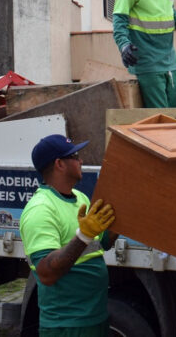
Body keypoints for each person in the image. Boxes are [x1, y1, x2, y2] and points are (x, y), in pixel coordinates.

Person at [19, 135, 117, 336]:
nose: (81, 161)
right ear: (59, 164)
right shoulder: (40, 209)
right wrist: (84, 235)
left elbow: (103, 242)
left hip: (95, 318)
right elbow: (46, 273)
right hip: (66, 326)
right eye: (75, 156)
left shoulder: (79, 198)